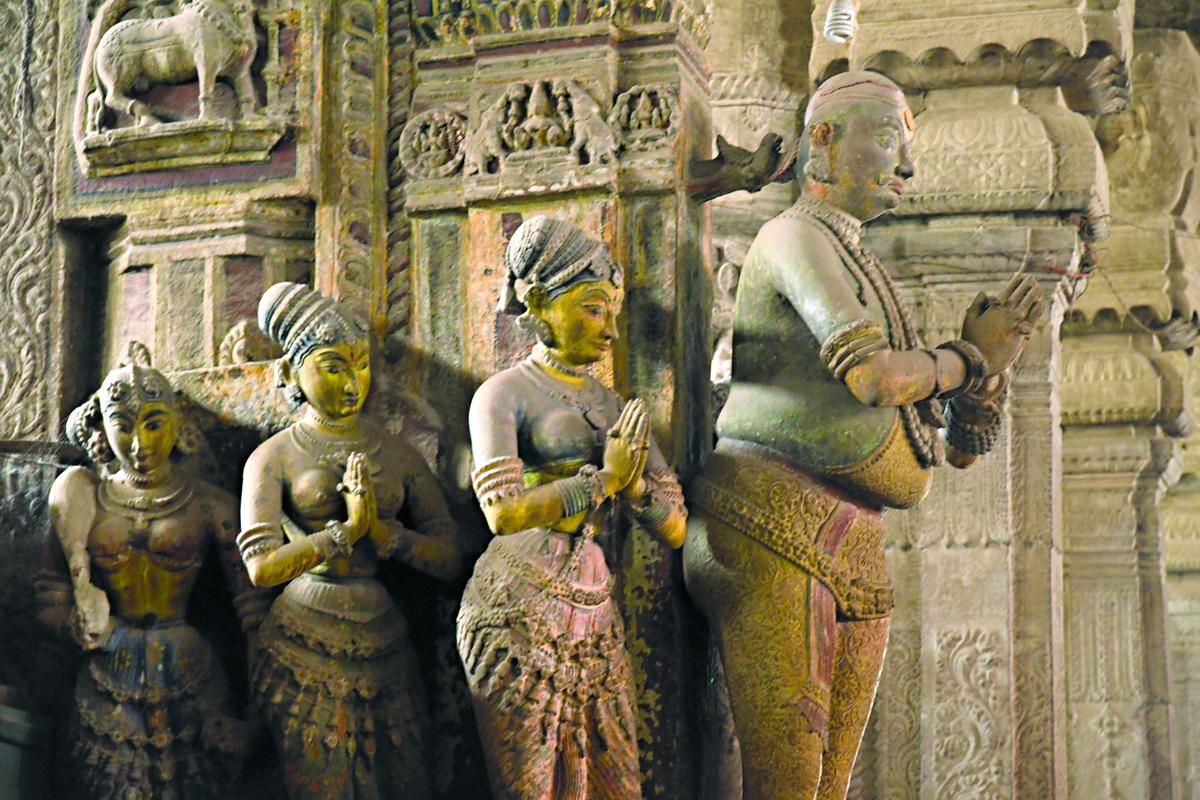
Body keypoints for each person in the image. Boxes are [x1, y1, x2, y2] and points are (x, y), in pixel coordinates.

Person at [683, 71, 1044, 800]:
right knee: (787, 780)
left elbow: (959, 450)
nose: (906, 166)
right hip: (768, 522)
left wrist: (991, 373)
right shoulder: (792, 238)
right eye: (888, 140)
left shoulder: (858, 261)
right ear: (823, 139)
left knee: (828, 787)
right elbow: (877, 381)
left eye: (907, 145)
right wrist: (968, 359)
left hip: (850, 539)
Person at [458, 216, 687, 799]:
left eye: (612, 311)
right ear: (538, 301)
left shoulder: (612, 404)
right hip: (515, 605)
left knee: (615, 786)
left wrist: (634, 490)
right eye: (592, 308)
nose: (609, 330)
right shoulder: (504, 394)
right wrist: (601, 483)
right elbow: (503, 513)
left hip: (594, 610)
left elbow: (678, 528)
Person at [239, 282, 461, 799]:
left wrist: (385, 534)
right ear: (292, 373)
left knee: (405, 780)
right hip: (303, 630)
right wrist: (344, 533)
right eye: (333, 366)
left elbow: (449, 557)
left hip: (384, 632)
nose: (352, 382)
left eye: (360, 365)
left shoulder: (399, 453)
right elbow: (262, 567)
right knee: (320, 782)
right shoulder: (273, 457)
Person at [37, 343, 263, 798]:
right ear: (102, 426)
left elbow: (255, 612)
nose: (140, 444)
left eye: (154, 424)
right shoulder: (85, 497)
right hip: (106, 668)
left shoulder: (209, 504)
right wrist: (76, 623)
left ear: (177, 423)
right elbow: (48, 594)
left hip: (190, 669)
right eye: (123, 425)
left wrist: (256, 718)